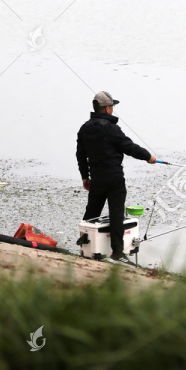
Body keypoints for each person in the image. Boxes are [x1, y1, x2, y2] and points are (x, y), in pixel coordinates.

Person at [76, 91, 156, 261]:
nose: (113, 109)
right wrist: (148, 156)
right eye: (112, 106)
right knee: (116, 214)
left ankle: (85, 245)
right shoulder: (111, 128)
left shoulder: (84, 128)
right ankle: (118, 252)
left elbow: (80, 155)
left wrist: (85, 177)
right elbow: (129, 146)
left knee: (92, 213)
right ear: (106, 109)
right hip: (114, 178)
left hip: (97, 178)